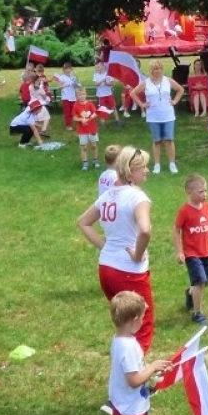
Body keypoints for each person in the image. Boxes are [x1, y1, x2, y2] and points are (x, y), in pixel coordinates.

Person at [78, 146, 156, 353]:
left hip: (106, 269)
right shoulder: (137, 198)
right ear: (131, 172)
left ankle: (124, 368)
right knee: (142, 324)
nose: (147, 171)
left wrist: (106, 247)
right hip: (129, 272)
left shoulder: (108, 195)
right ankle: (136, 378)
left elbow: (83, 222)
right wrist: (138, 255)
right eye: (143, 167)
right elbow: (145, 231)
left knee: (124, 324)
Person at [107, 292, 171, 415]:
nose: (143, 321)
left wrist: (150, 370)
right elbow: (134, 381)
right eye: (142, 318)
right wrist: (153, 366)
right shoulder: (128, 347)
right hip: (131, 409)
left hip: (122, 403)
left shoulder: (118, 339)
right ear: (134, 321)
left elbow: (130, 369)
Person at [174, 174, 208, 326]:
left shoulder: (207, 207)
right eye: (200, 192)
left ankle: (191, 292)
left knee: (207, 280)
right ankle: (197, 314)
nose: (204, 194)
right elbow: (176, 230)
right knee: (201, 281)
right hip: (192, 253)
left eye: (206, 191)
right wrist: (180, 251)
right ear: (189, 192)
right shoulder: (184, 211)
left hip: (206, 252)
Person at [131, 61, 184, 174]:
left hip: (168, 115)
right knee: (157, 141)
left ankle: (172, 163)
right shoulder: (146, 83)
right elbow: (133, 93)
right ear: (151, 71)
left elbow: (180, 89)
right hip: (153, 115)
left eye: (159, 68)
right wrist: (142, 104)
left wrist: (174, 101)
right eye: (155, 69)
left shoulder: (167, 80)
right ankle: (157, 164)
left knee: (169, 139)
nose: (158, 71)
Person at [75, 86, 101, 171]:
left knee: (93, 146)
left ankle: (95, 161)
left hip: (92, 129)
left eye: (83, 94)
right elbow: (74, 118)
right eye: (79, 95)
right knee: (84, 147)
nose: (81, 96)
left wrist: (92, 116)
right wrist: (81, 119)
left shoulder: (90, 103)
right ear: (76, 96)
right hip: (82, 131)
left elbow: (95, 113)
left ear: (86, 94)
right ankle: (85, 163)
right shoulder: (76, 105)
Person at [57, 61, 80, 131]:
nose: (67, 70)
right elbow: (60, 87)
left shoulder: (74, 77)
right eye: (65, 69)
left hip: (73, 97)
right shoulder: (62, 77)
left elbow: (77, 86)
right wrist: (66, 85)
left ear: (71, 69)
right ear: (63, 70)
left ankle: (76, 124)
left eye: (69, 69)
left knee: (74, 112)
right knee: (67, 112)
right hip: (65, 97)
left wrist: (75, 84)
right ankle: (68, 125)